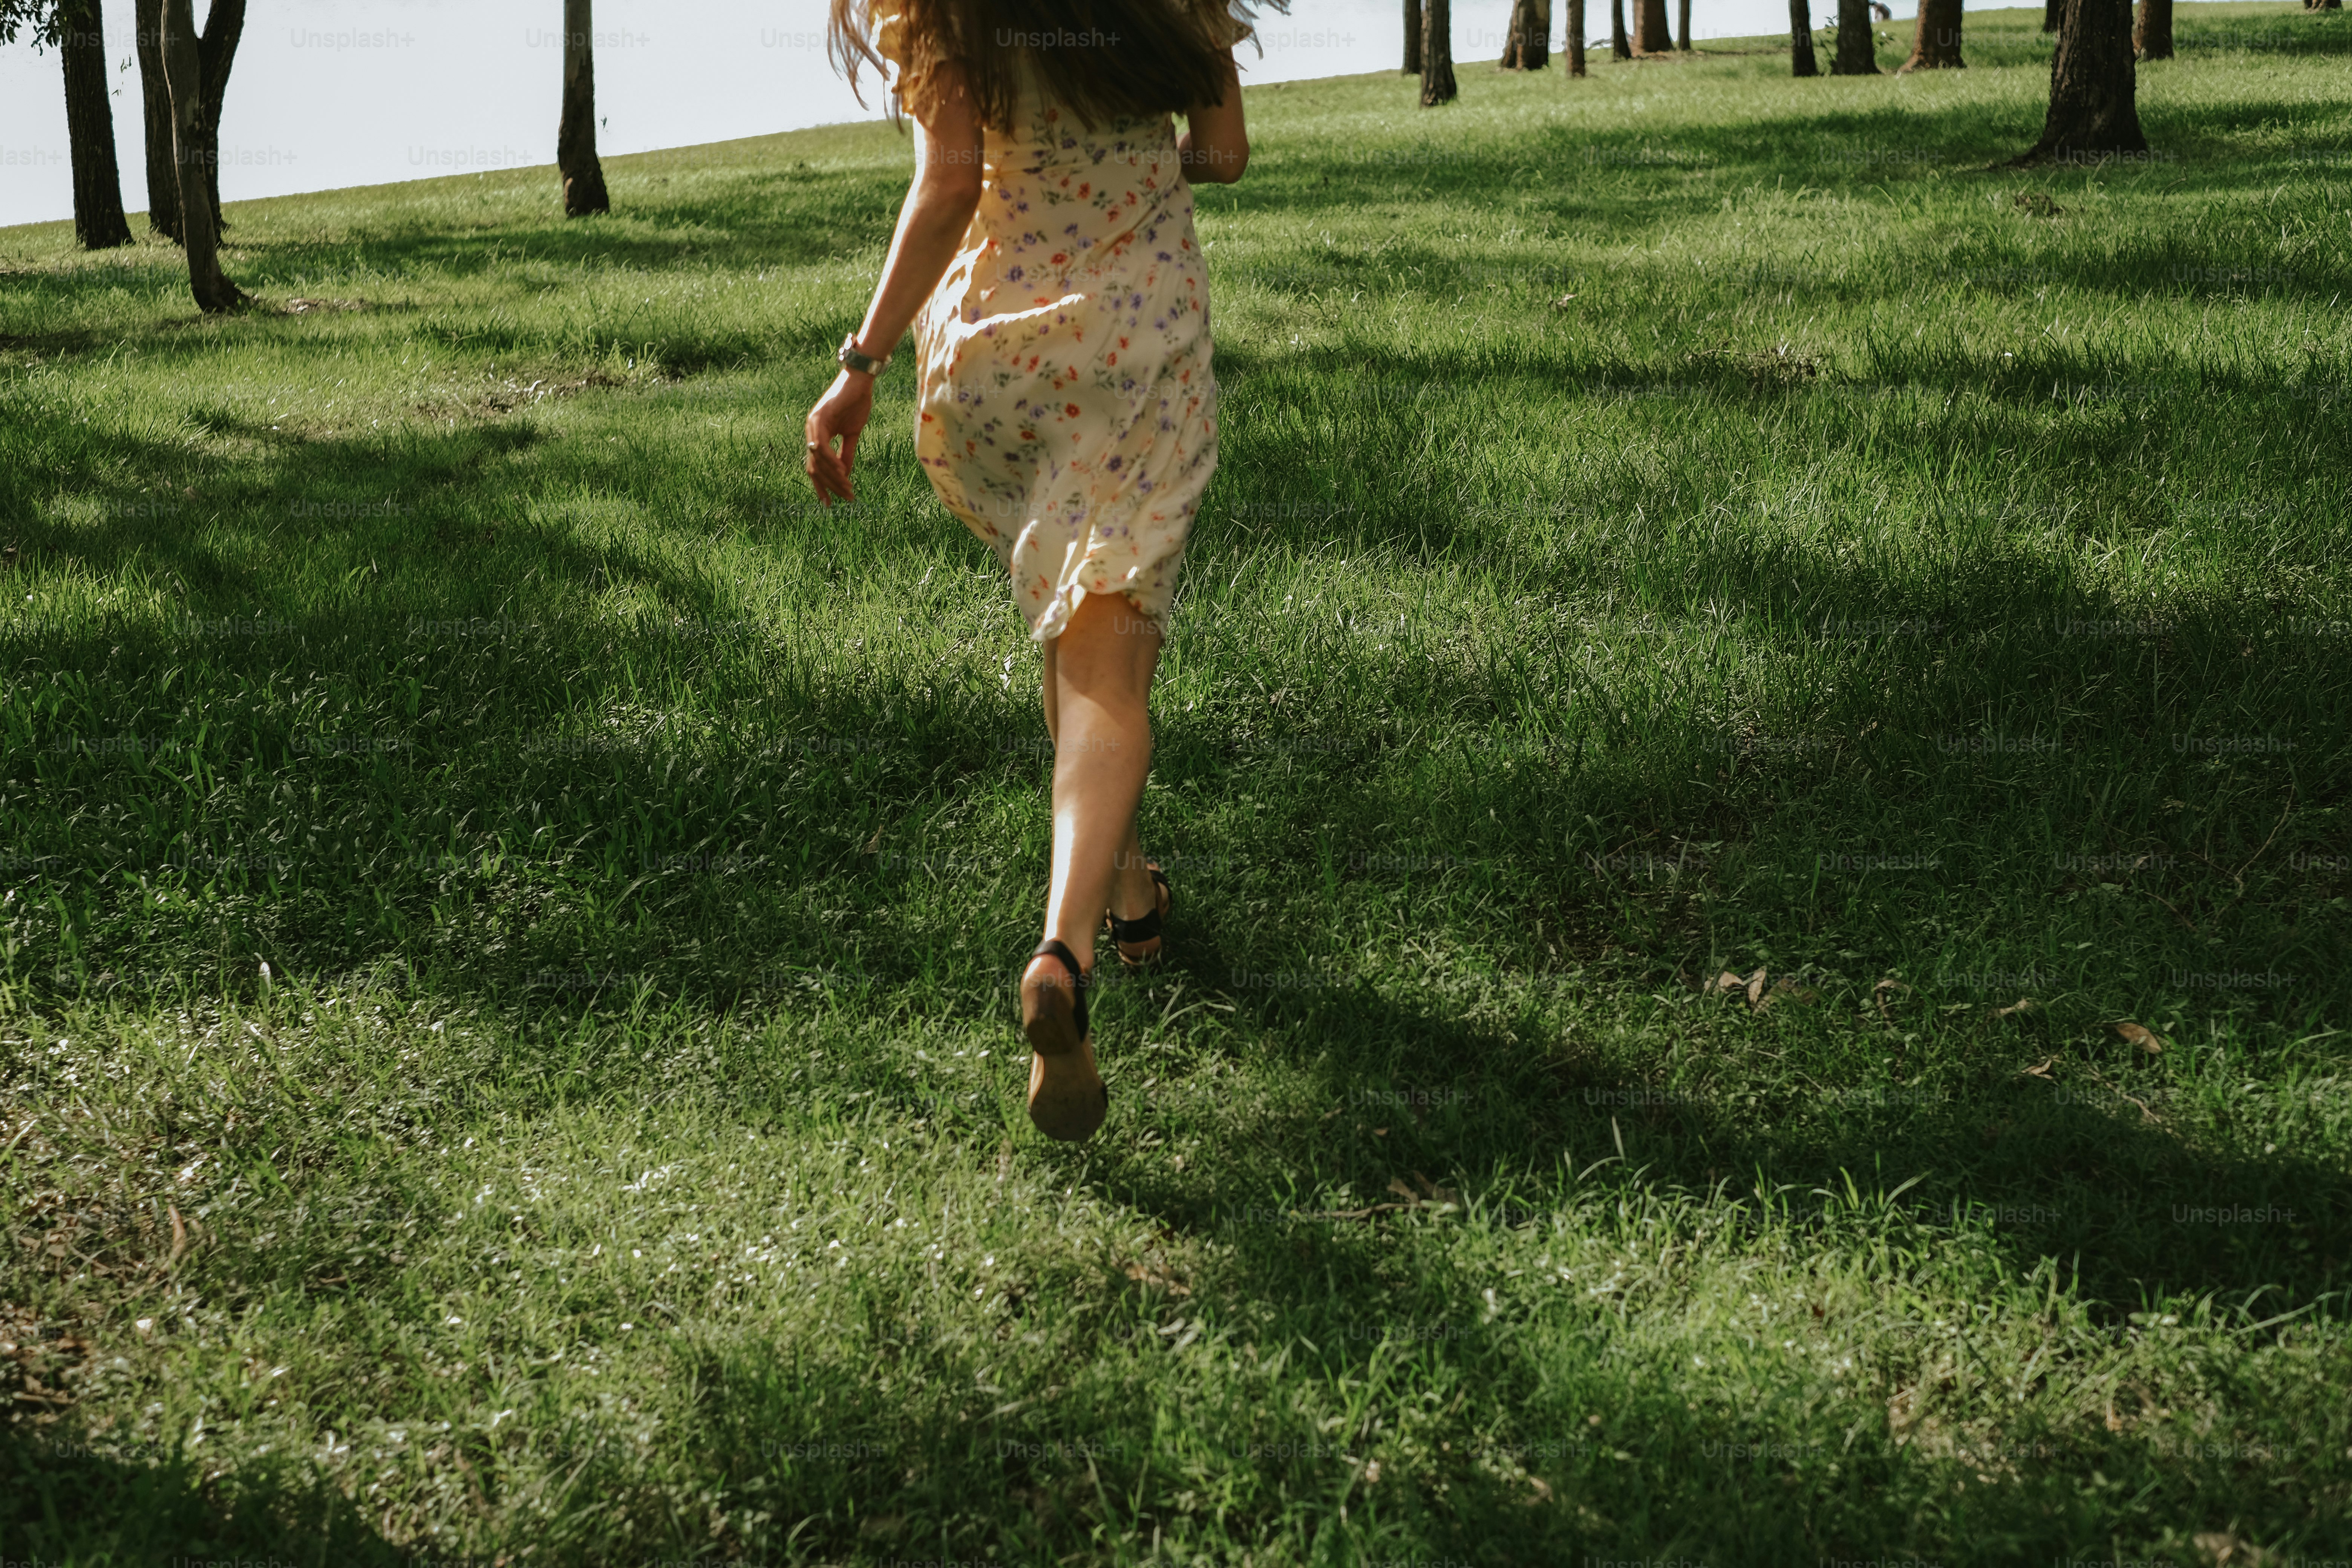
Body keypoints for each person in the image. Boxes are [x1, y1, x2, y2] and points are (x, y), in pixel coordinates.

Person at [808, 0, 1261, 1141]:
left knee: (1074, 618)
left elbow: (949, 185)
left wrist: (859, 363)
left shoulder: (943, 7)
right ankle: (1063, 949)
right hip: (1132, 336)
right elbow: (1224, 155)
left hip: (994, 358)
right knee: (1110, 659)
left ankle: (1132, 889)